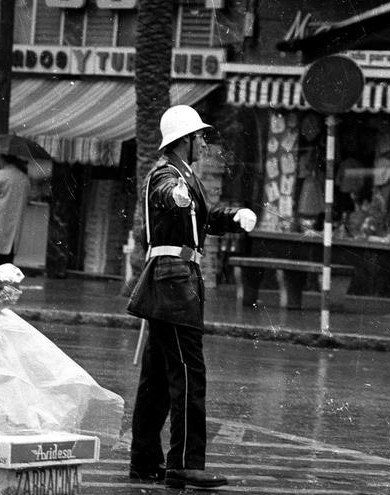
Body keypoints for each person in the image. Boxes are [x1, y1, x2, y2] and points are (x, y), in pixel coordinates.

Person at [126, 105, 257, 489]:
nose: (202, 141)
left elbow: (204, 216)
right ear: (183, 139)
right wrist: (179, 196)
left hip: (176, 280)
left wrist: (233, 216)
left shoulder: (185, 175)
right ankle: (184, 462)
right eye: (198, 136)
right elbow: (169, 195)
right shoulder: (166, 174)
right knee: (187, 373)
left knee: (157, 378)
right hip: (173, 281)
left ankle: (145, 461)